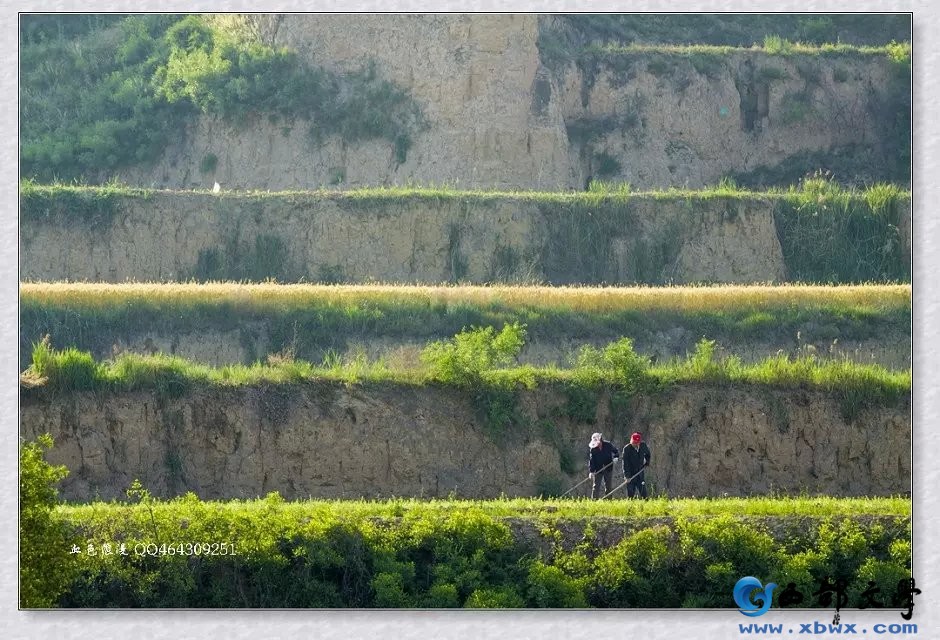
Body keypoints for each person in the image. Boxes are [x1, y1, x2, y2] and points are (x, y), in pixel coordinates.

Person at [588, 432, 620, 499]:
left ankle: (609, 500)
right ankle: (594, 501)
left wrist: (616, 457)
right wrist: (591, 471)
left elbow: (616, 451)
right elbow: (592, 460)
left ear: (600, 440)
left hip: (608, 467)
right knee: (596, 486)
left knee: (608, 486)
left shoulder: (608, 445)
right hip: (598, 469)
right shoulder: (593, 449)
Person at [622, 432, 651, 499]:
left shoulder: (643, 446)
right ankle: (630, 507)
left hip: (640, 473)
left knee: (644, 493)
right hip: (630, 475)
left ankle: (647, 505)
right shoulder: (626, 449)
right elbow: (625, 464)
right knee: (630, 494)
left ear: (639, 442)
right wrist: (627, 476)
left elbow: (648, 454)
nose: (635, 444)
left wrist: (647, 463)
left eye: (636, 442)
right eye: (633, 442)